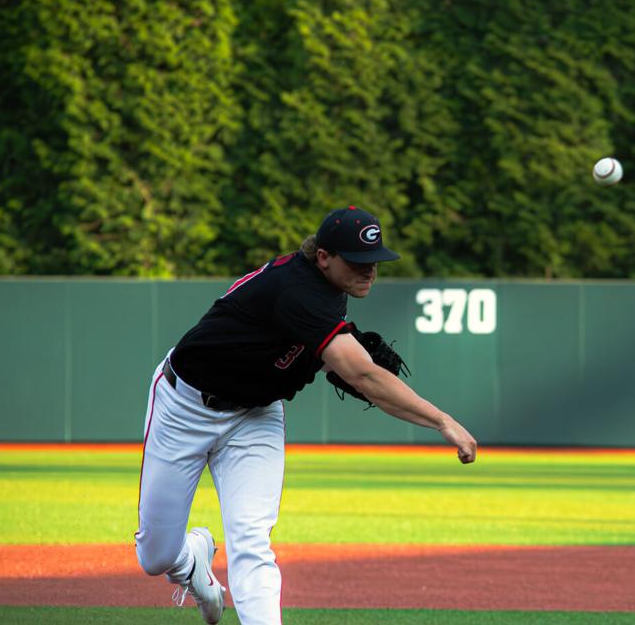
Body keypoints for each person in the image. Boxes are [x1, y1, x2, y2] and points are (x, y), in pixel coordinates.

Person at [134, 206, 478, 625]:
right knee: (155, 555)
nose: (369, 271)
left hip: (254, 417)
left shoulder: (329, 290)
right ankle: (192, 564)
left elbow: (336, 361)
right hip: (184, 406)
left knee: (251, 540)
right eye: (357, 261)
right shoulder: (295, 289)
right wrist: (442, 420)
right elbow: (364, 374)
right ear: (323, 257)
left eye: (374, 261)